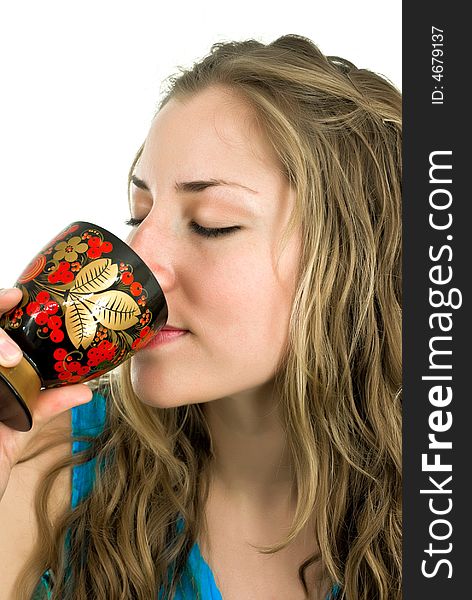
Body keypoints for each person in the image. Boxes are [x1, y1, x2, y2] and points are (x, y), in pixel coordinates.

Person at [0, 34, 402, 599]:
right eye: (139, 214)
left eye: (212, 223)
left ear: (351, 265)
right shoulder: (46, 462)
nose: (139, 259)